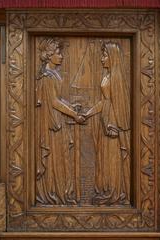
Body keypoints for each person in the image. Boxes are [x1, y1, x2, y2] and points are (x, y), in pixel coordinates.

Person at [36, 38, 85, 205]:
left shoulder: (54, 74)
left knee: (63, 158)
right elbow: (53, 102)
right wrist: (73, 114)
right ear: (49, 56)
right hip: (52, 125)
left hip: (58, 122)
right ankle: (55, 194)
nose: (61, 56)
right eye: (58, 53)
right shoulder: (47, 77)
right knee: (56, 158)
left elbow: (58, 98)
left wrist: (71, 105)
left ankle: (63, 193)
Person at [83, 41, 131, 205]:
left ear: (112, 57)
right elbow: (104, 101)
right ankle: (106, 190)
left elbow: (121, 104)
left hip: (112, 126)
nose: (102, 59)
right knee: (103, 158)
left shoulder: (116, 77)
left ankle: (115, 193)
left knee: (113, 159)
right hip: (104, 123)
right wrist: (87, 114)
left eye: (104, 55)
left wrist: (117, 126)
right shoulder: (107, 76)